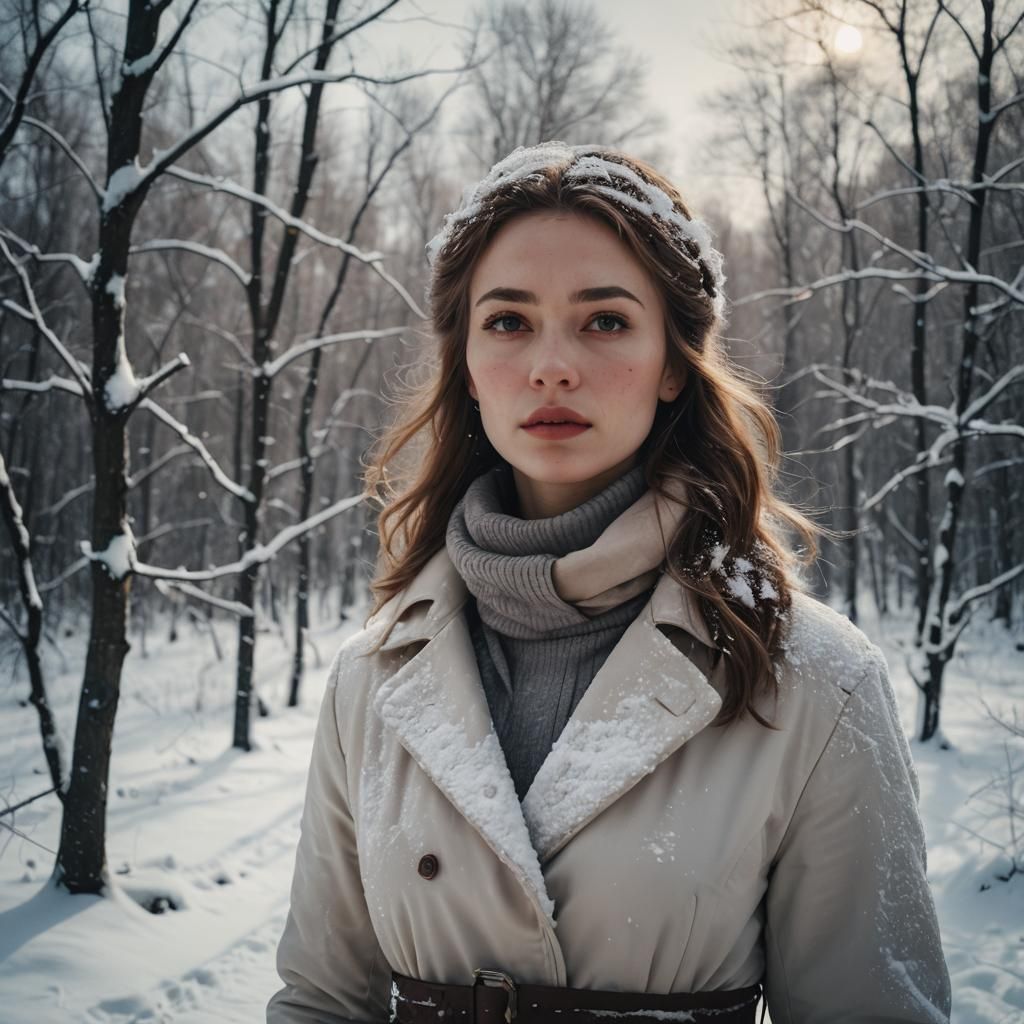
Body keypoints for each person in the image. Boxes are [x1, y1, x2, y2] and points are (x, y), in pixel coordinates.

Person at [267, 142, 951, 1024]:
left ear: (674, 362)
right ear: (466, 366)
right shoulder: (372, 676)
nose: (552, 365)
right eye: (507, 322)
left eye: (604, 321)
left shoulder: (816, 679)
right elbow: (320, 1000)